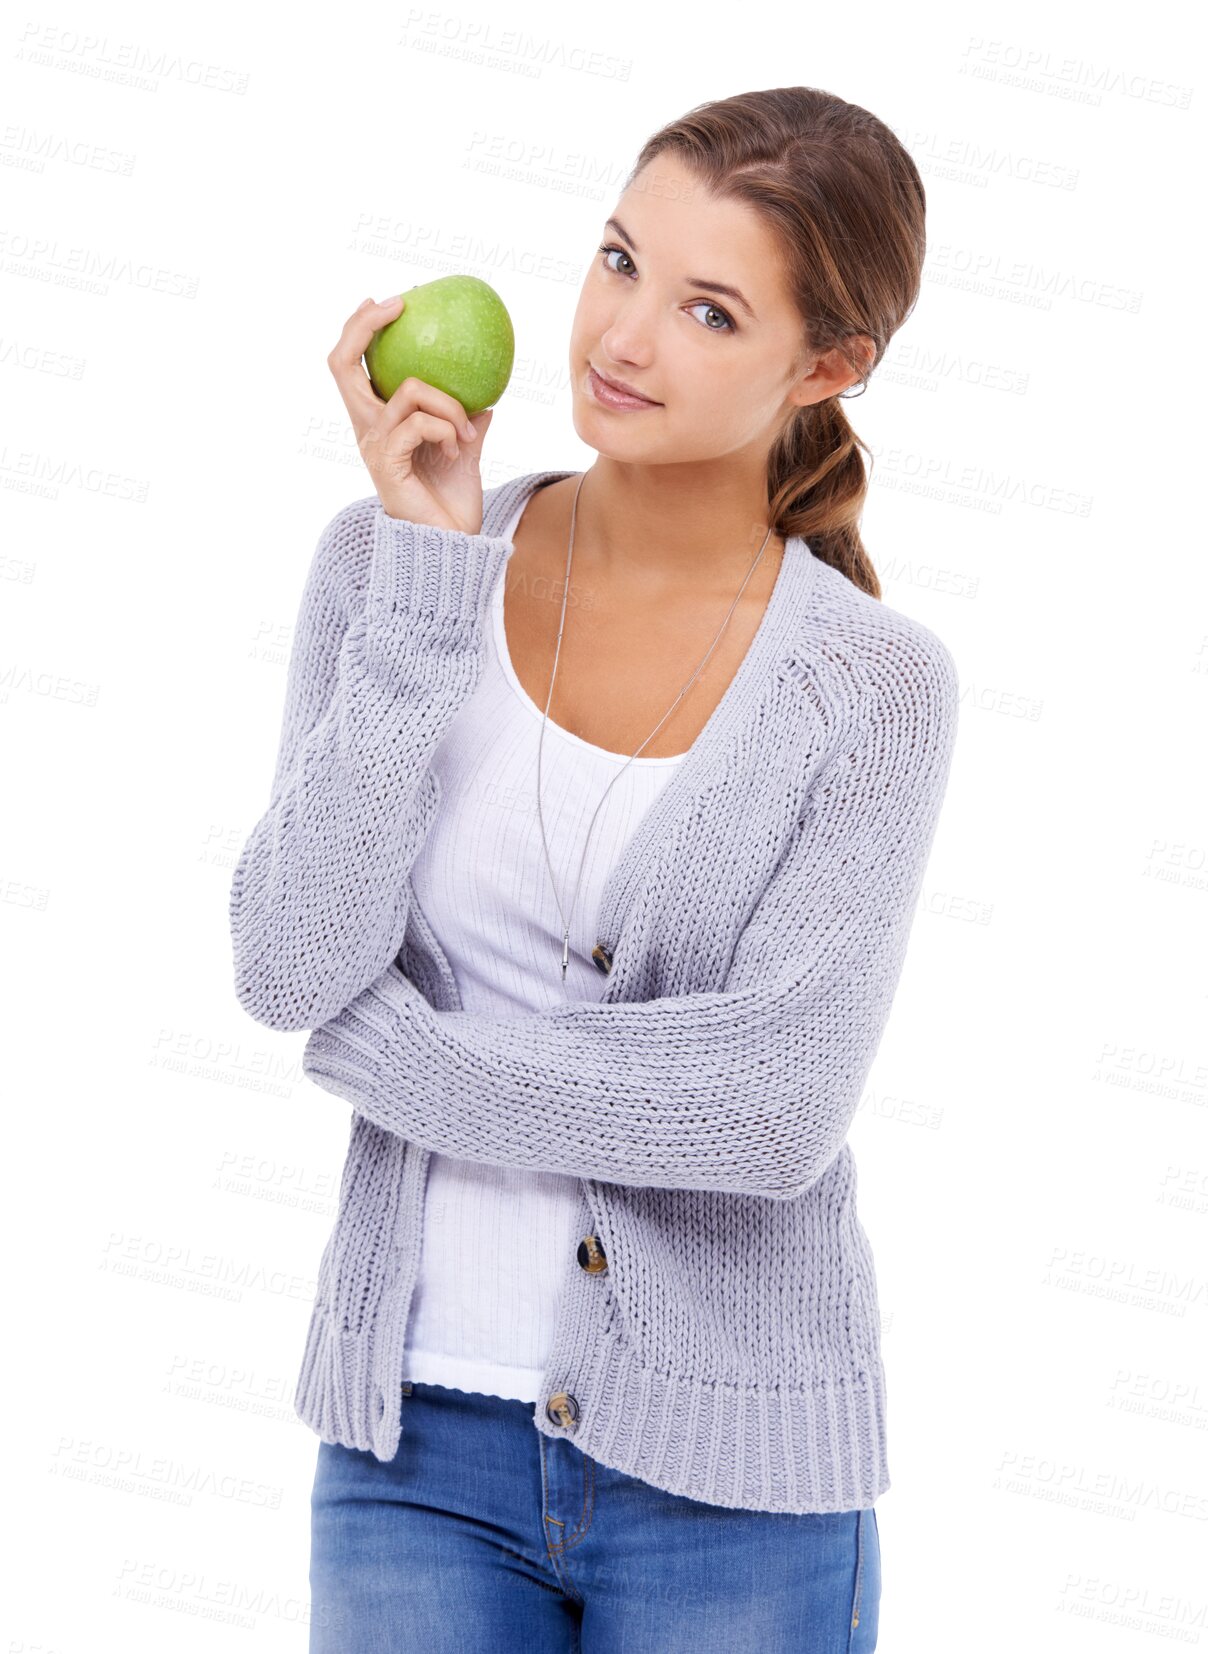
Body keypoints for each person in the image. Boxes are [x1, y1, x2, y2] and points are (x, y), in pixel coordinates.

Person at [229, 85, 960, 1652]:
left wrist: (405, 1059)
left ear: (827, 367)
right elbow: (290, 964)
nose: (621, 338)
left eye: (708, 308)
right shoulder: (384, 569)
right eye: (619, 261)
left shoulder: (877, 686)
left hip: (739, 1486)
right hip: (411, 1448)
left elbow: (771, 1107)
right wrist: (431, 577)